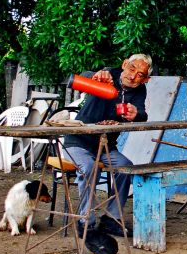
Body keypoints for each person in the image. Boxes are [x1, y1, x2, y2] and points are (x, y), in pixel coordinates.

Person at [63, 53, 152, 236]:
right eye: (131, 68)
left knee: (125, 167)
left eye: (140, 74)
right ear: (124, 64)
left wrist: (136, 114)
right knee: (88, 167)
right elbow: (84, 76)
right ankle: (85, 221)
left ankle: (112, 218)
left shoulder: (139, 90)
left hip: (105, 145)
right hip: (78, 142)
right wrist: (96, 75)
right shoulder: (108, 74)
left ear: (146, 79)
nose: (133, 76)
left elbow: (142, 113)